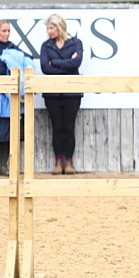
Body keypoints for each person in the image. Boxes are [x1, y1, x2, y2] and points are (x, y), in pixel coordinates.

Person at [39, 14, 85, 175]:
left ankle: (69, 162)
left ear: (60, 27)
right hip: (53, 94)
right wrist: (67, 63)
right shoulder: (46, 46)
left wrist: (56, 63)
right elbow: (45, 68)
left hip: (72, 93)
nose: (49, 31)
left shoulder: (76, 43)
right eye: (48, 28)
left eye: (51, 28)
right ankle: (58, 162)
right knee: (57, 128)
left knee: (69, 127)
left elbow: (76, 63)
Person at [0, 20, 33, 176]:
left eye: (8, 31)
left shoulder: (13, 48)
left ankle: (4, 166)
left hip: (7, 100)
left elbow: (28, 60)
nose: (6, 34)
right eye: (3, 31)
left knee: (7, 133)